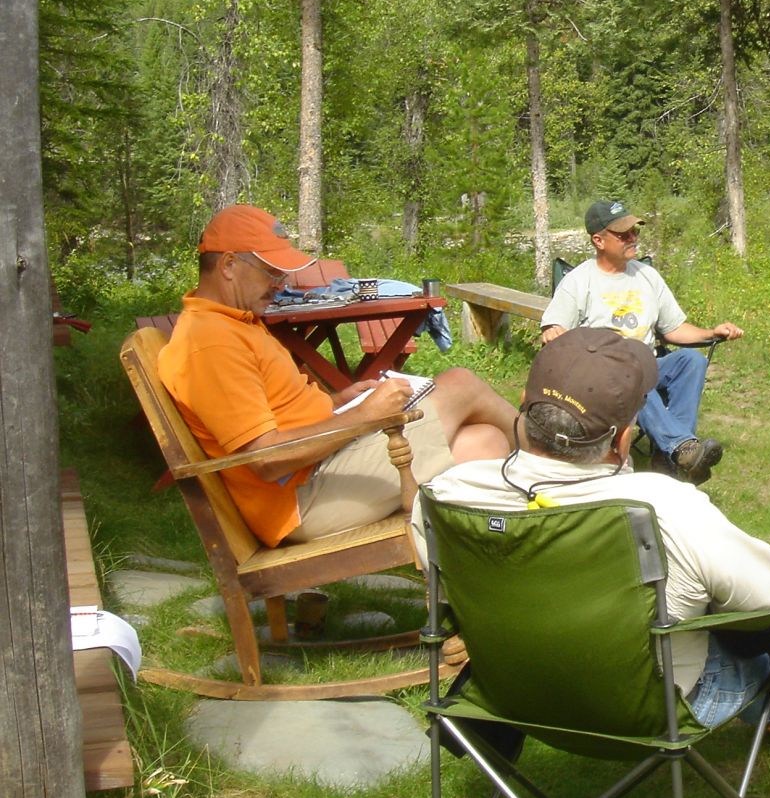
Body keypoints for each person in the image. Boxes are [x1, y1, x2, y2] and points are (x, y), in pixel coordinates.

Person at [413, 328, 770, 742]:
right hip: (647, 712)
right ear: (624, 439)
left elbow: (447, 592)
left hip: (515, 698)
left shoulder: (445, 495)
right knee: (752, 637)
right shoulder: (662, 507)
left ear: (523, 405)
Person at [158, 204, 517, 547]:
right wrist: (364, 416)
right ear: (229, 265)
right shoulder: (209, 343)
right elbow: (265, 460)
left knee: (482, 442)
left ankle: (475, 580)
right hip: (301, 499)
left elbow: (275, 413)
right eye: (272, 271)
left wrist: (339, 402)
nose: (280, 283)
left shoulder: (232, 323)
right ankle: (563, 466)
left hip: (317, 471)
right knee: (461, 385)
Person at [540, 199, 743, 485]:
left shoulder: (648, 276)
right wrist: (553, 332)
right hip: (601, 375)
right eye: (623, 234)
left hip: (646, 362)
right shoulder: (579, 281)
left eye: (635, 231)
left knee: (691, 360)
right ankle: (680, 450)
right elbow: (553, 326)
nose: (633, 238)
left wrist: (711, 333)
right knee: (631, 374)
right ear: (598, 240)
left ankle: (674, 451)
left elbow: (673, 329)